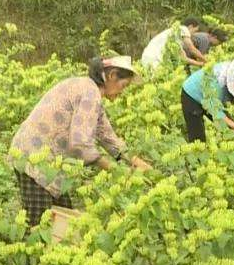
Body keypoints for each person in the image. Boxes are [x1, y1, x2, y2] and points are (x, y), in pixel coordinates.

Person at [10, 56, 151, 225]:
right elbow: (80, 144)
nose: (123, 92)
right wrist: (114, 169)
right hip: (34, 160)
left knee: (64, 221)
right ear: (112, 75)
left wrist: (135, 161)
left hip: (45, 163)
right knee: (41, 224)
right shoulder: (90, 93)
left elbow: (106, 134)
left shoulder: (87, 89)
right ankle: (35, 251)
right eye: (124, 85)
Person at [181, 58, 234, 142]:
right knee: (197, 136)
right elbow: (211, 104)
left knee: (231, 131)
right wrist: (230, 123)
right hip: (192, 95)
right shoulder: (218, 80)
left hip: (213, 99)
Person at [141, 18, 206, 69]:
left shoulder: (176, 37)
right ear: (190, 26)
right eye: (195, 31)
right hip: (154, 59)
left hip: (148, 58)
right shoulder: (183, 28)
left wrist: (201, 64)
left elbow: (184, 58)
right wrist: (207, 60)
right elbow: (192, 49)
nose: (193, 35)